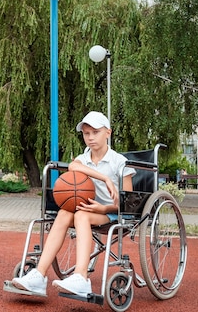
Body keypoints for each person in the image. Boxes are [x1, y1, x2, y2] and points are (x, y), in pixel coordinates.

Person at [11, 111, 136, 297]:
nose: (91, 138)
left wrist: (104, 208)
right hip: (84, 209)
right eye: (86, 133)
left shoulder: (120, 162)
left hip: (111, 213)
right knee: (63, 213)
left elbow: (129, 203)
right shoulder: (82, 158)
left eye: (95, 132)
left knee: (80, 214)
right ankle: (39, 275)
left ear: (108, 133)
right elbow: (73, 167)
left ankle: (81, 277)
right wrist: (105, 179)